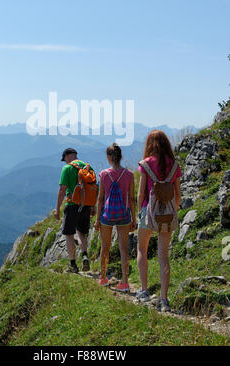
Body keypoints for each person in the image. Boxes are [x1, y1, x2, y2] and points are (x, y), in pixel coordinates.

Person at [136, 130, 182, 312]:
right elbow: (178, 194)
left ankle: (144, 290)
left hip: (148, 211)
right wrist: (172, 209)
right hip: (167, 214)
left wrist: (140, 211)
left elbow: (141, 193)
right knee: (163, 256)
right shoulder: (174, 165)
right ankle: (164, 299)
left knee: (142, 249)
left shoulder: (145, 164)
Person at [94, 143, 136, 292]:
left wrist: (98, 219)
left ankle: (103, 278)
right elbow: (132, 199)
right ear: (120, 156)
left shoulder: (104, 174)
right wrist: (134, 219)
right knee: (123, 248)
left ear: (108, 157)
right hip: (124, 215)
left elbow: (100, 199)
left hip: (107, 215)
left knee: (105, 247)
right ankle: (125, 282)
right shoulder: (129, 175)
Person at [55, 148, 95, 273]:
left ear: (67, 156)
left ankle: (73, 264)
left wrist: (57, 209)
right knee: (82, 233)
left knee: (69, 234)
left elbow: (62, 190)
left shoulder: (67, 168)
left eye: (64, 159)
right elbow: (94, 188)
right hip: (86, 205)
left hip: (72, 205)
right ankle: (84, 255)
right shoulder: (88, 167)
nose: (65, 162)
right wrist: (93, 206)